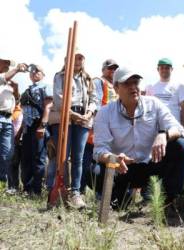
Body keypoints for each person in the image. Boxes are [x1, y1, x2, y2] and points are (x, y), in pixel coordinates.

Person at [93, 67, 184, 211]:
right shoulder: (105, 113)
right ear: (116, 87)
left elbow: (178, 129)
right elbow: (99, 150)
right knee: (94, 171)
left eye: (136, 83)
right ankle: (117, 198)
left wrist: (164, 135)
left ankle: (171, 201)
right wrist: (113, 158)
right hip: (122, 169)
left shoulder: (154, 104)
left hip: (152, 165)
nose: (133, 87)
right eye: (127, 84)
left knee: (180, 146)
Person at [47, 50, 97, 208]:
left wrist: (89, 112)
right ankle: (58, 189)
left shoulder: (88, 78)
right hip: (65, 117)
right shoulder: (60, 76)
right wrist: (73, 114)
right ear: (67, 59)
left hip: (83, 119)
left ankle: (75, 192)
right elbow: (58, 98)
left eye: (81, 58)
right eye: (75, 57)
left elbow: (94, 98)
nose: (78, 60)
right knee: (62, 156)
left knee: (78, 158)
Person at [80, 59, 119, 196]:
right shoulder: (98, 81)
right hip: (96, 129)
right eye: (110, 68)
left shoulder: (116, 85)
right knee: (87, 162)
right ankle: (80, 192)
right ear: (103, 69)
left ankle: (102, 195)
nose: (112, 71)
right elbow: (96, 104)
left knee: (104, 163)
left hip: (110, 130)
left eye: (115, 68)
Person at [20, 65, 52, 195]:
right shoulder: (27, 90)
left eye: (37, 70)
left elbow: (48, 106)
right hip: (27, 128)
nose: (34, 73)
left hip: (39, 125)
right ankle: (27, 189)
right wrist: (21, 131)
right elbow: (24, 112)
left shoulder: (46, 86)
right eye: (32, 71)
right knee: (26, 158)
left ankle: (36, 190)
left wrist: (42, 126)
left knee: (38, 158)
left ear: (43, 73)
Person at [0, 59, 27, 185]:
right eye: (4, 63)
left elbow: (16, 102)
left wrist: (16, 90)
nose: (7, 65)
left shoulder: (9, 82)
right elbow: (3, 78)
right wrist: (16, 69)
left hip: (7, 119)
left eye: (8, 64)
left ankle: (1, 183)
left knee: (8, 153)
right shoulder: (4, 78)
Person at [146, 58, 184, 135]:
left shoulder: (179, 86)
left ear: (171, 69)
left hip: (174, 129)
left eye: (167, 68)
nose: (164, 70)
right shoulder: (150, 86)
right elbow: (147, 108)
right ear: (157, 69)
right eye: (162, 68)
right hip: (155, 129)